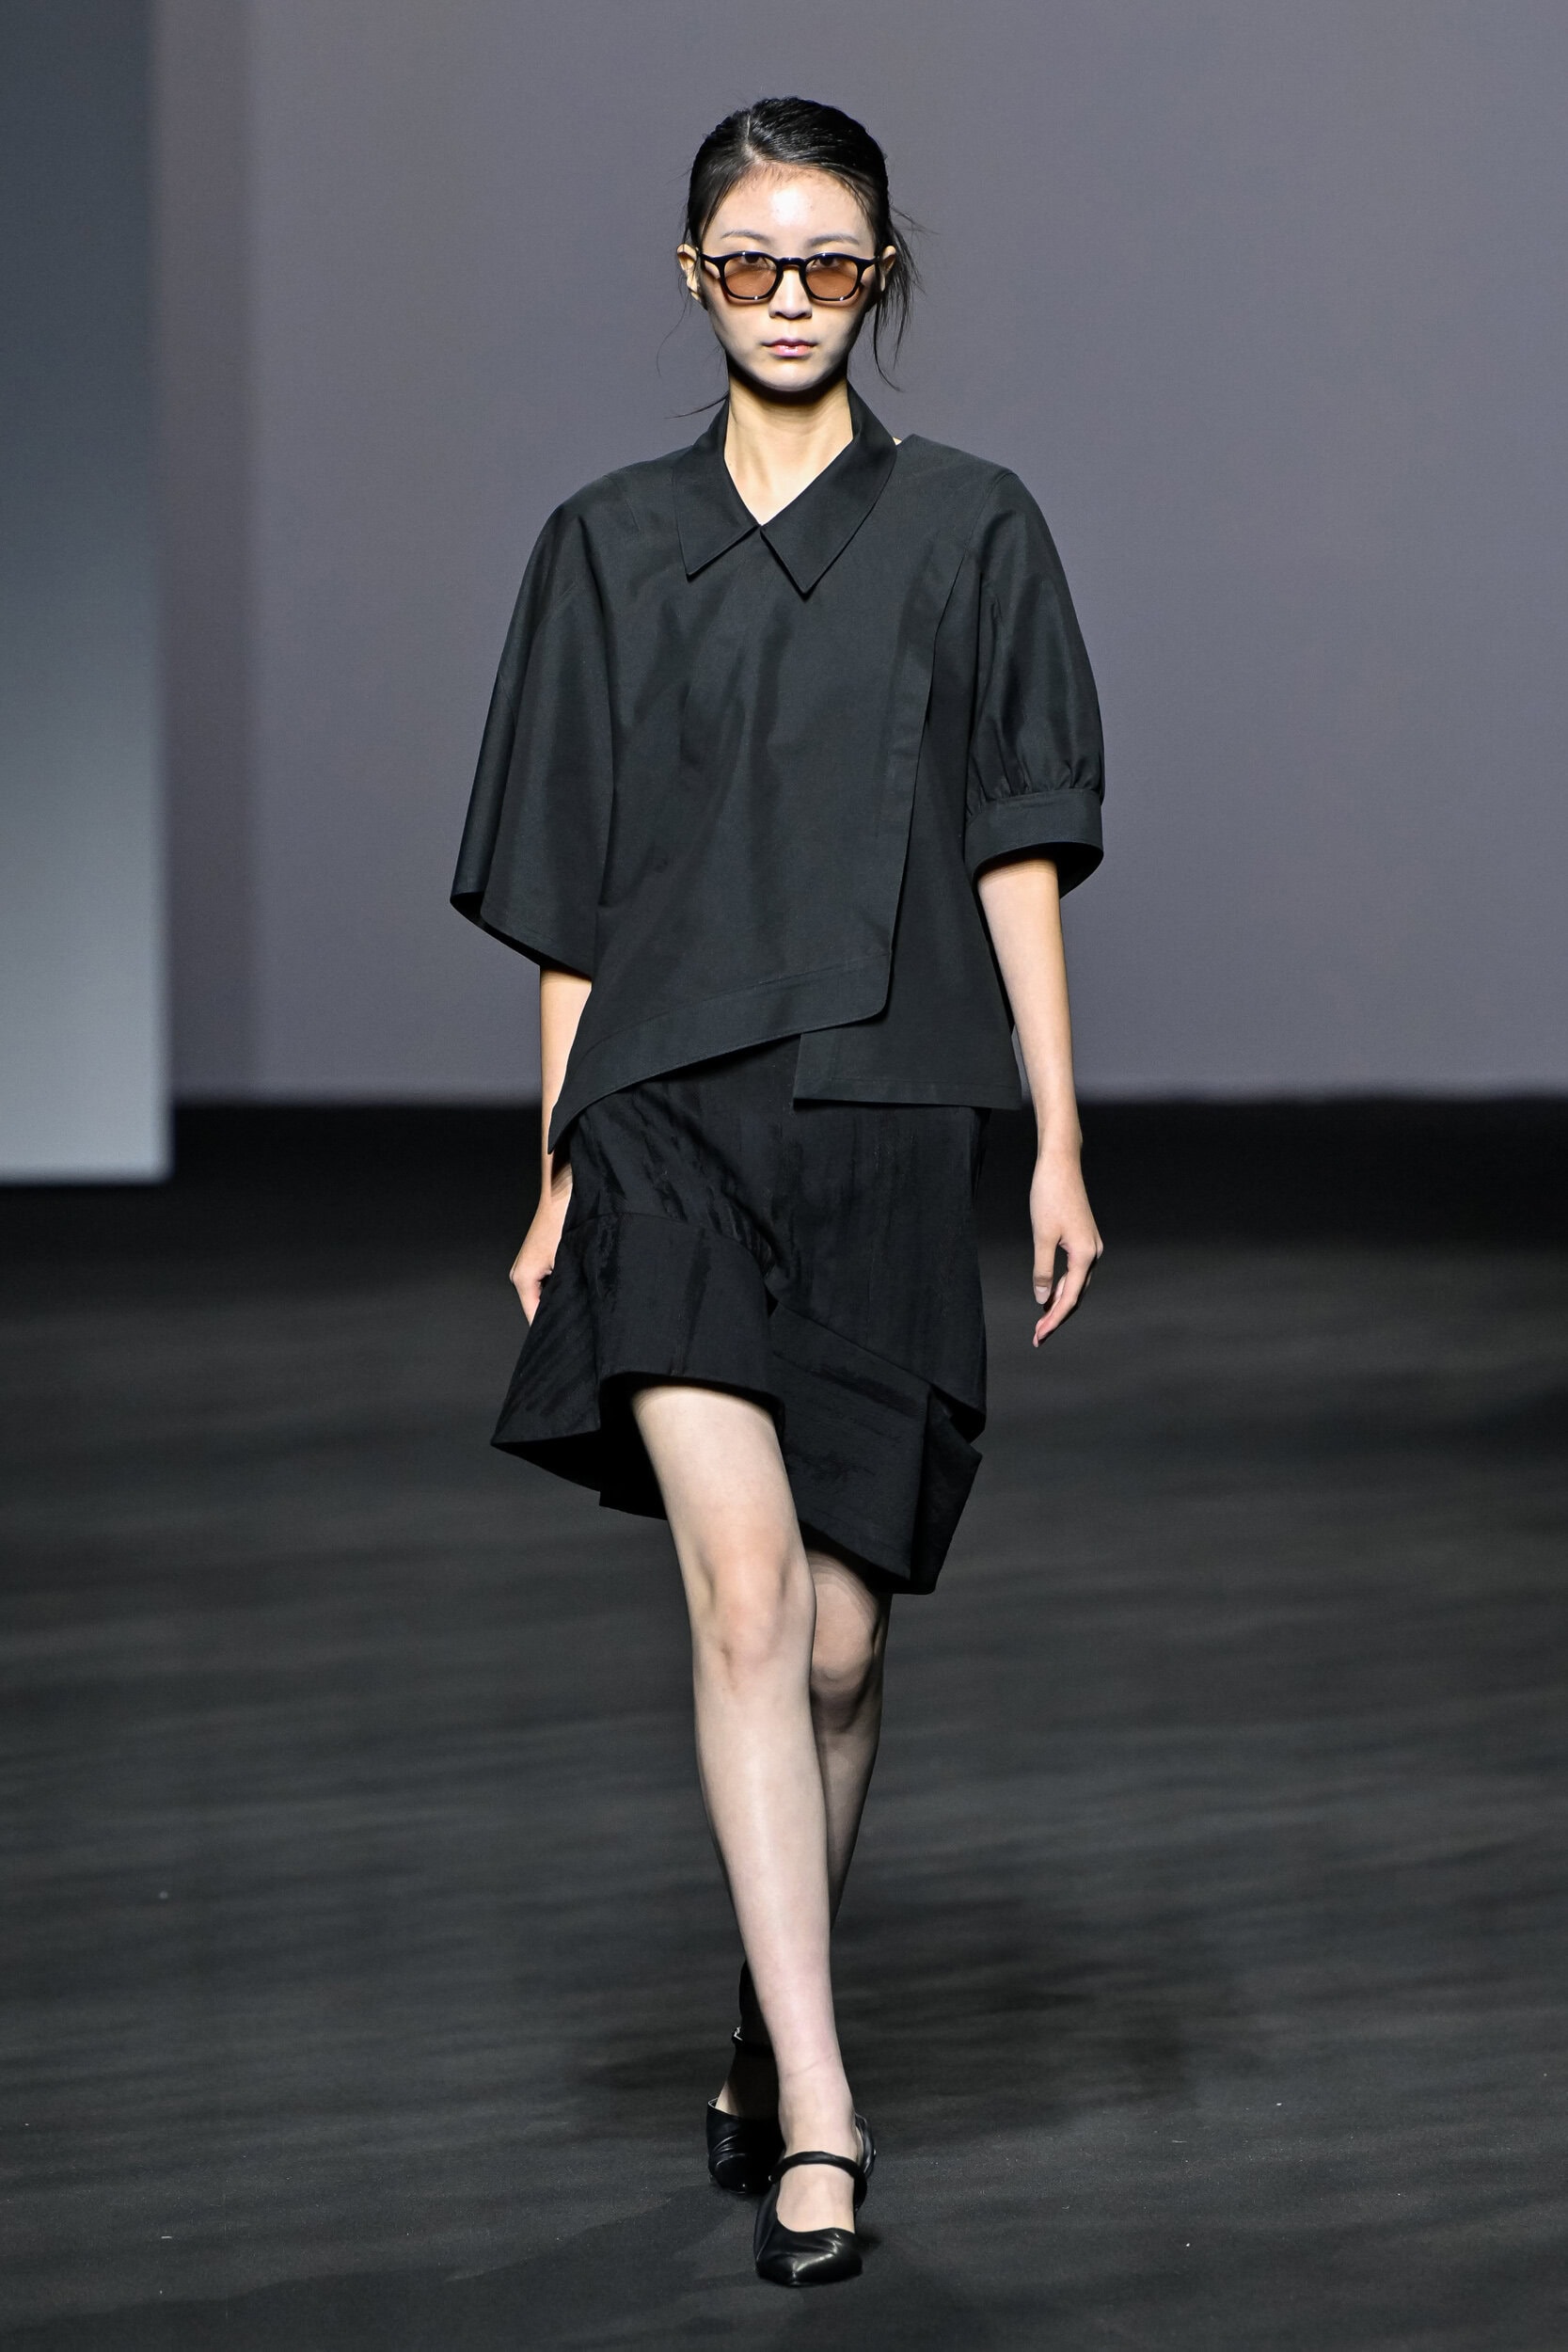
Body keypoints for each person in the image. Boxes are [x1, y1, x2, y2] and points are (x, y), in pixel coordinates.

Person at [452, 95, 1104, 2289]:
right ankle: (822, 2107)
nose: (794, 297)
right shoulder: (603, 546)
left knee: (838, 1640)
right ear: (694, 278)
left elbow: (1015, 843)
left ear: (882, 275)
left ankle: (766, 2002)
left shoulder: (976, 528)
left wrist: (1059, 1133)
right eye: (753, 261)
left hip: (893, 1110)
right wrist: (557, 1156)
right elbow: (570, 886)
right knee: (743, 1595)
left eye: (832, 261)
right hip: (661, 1113)